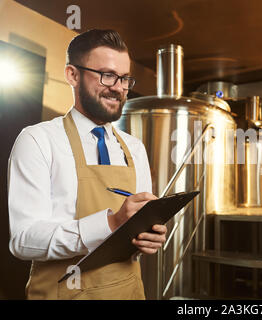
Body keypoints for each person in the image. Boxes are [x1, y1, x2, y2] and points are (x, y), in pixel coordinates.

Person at [8, 29, 167, 300]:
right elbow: (23, 241)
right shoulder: (37, 140)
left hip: (129, 291)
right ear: (72, 74)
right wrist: (110, 223)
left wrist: (147, 238)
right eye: (106, 75)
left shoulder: (135, 148)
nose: (117, 87)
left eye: (124, 78)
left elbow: (135, 230)